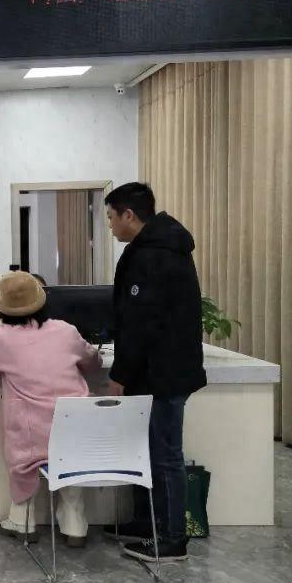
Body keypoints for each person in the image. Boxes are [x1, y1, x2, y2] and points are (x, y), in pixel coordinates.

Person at [102, 183, 206, 563]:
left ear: (129, 215)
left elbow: (140, 323)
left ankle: (172, 538)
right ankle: (148, 523)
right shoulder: (160, 247)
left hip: (163, 373)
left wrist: (120, 373)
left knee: (164, 455)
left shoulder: (153, 255)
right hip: (161, 369)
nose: (110, 225)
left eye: (111, 217)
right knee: (147, 450)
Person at [0, 271, 102, 547]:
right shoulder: (66, 330)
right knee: (70, 459)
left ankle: (22, 521)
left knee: (22, 455)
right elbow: (93, 362)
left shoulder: (1, 338)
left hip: (31, 436)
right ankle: (75, 526)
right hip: (75, 429)